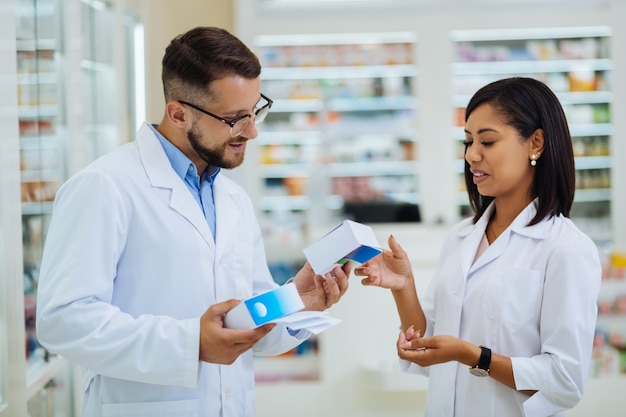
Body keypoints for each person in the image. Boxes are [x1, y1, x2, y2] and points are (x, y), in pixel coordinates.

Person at [35, 26, 351, 417]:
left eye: (256, 111)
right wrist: (190, 343)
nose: (251, 130)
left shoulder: (232, 198)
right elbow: (62, 320)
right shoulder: (105, 186)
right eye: (235, 118)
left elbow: (249, 328)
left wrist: (295, 301)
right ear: (179, 113)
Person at [355, 77, 601, 417]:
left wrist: (475, 356)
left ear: (536, 143)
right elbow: (429, 348)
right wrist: (403, 286)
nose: (472, 155)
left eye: (487, 141)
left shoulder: (566, 248)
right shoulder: (461, 237)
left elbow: (565, 380)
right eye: (468, 141)